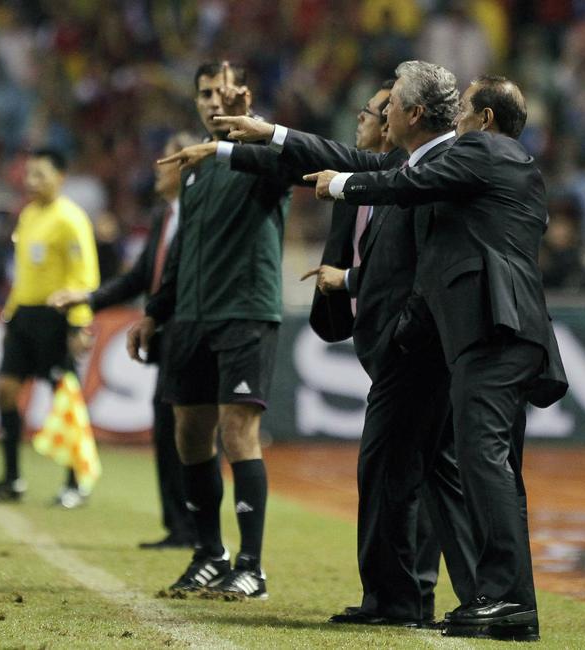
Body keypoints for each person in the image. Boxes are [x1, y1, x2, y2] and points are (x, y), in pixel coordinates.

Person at [163, 68, 476, 626]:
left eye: (379, 110)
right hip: (384, 339)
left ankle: (417, 597)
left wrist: (261, 138)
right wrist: (238, 141)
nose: (368, 119)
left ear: (403, 120)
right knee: (413, 472)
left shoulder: (424, 169)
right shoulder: (388, 166)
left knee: (410, 472)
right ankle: (410, 597)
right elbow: (311, 163)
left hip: (417, 342)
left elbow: (418, 259)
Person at [305, 73, 568, 641]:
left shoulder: (485, 151)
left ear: (486, 120)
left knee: (484, 463)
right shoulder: (499, 166)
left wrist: (342, 186)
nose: (459, 121)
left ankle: (503, 598)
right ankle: (509, 601)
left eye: (467, 110)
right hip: (488, 329)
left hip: (493, 329)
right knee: (489, 465)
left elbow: (408, 183)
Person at [127, 62, 293, 599]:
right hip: (191, 317)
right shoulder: (194, 164)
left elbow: (285, 169)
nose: (212, 101)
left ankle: (252, 566)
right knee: (188, 434)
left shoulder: (263, 151)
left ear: (242, 94)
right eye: (204, 94)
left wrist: (247, 120)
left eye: (221, 92)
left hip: (244, 311)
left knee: (237, 431)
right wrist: (156, 310)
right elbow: (184, 245)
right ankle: (208, 553)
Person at [48, 131, 198, 549]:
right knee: (166, 429)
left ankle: (200, 530)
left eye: (167, 157)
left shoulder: (197, 216)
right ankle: (177, 527)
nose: (157, 166)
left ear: (188, 164)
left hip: (190, 329)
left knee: (191, 432)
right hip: (166, 332)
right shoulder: (163, 216)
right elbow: (140, 277)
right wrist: (91, 298)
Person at [0, 148, 100, 509]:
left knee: (65, 399)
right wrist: (10, 314)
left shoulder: (71, 219)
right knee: (5, 390)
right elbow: (23, 273)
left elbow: (84, 276)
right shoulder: (28, 215)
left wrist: (79, 324)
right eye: (29, 175)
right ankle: (12, 478)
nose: (32, 182)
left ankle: (76, 483)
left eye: (40, 175)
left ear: (61, 178)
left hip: (57, 318)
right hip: (24, 317)